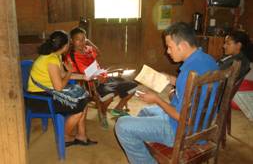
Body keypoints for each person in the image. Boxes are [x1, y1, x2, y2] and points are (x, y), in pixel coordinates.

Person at [115, 22, 219, 164]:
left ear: (182, 46)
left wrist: (157, 99)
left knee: (122, 125)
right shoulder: (209, 60)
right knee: (145, 112)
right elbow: (196, 85)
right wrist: (172, 80)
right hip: (203, 125)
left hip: (181, 131)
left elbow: (184, 118)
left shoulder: (188, 72)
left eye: (169, 47)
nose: (167, 52)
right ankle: (145, 152)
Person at [27, 30, 97, 147]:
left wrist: (84, 77)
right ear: (64, 46)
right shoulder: (51, 60)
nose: (69, 45)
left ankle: (81, 135)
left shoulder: (55, 55)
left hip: (46, 92)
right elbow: (59, 87)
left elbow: (63, 75)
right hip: (39, 99)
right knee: (79, 106)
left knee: (83, 98)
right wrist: (70, 72)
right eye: (68, 43)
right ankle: (65, 136)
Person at [64, 27, 137, 126]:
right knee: (108, 97)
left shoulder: (88, 49)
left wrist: (89, 43)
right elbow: (74, 74)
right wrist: (94, 78)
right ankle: (103, 114)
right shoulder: (70, 56)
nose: (82, 42)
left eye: (83, 39)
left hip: (104, 77)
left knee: (133, 86)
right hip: (91, 84)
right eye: (78, 40)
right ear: (72, 41)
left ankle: (118, 109)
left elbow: (98, 53)